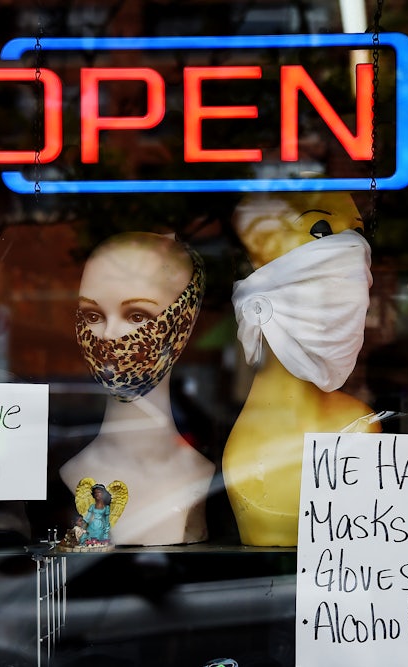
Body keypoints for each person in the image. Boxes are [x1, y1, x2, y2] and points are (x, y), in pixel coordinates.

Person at [223, 191, 380, 546]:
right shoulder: (248, 452)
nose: (352, 254)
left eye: (357, 235)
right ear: (257, 247)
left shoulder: (361, 429)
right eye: (321, 231)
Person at [59, 232, 215, 546]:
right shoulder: (72, 474)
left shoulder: (201, 475)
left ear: (183, 322)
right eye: (92, 315)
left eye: (136, 316)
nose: (109, 334)